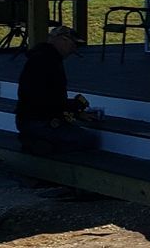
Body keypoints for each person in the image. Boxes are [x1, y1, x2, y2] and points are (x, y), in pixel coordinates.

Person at [16, 26, 98, 155]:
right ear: (62, 40)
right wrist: (73, 106)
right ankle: (41, 145)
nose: (74, 50)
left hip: (31, 119)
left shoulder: (43, 58)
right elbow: (46, 99)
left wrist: (73, 110)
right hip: (39, 121)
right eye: (73, 44)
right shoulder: (48, 62)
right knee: (88, 140)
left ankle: (38, 141)